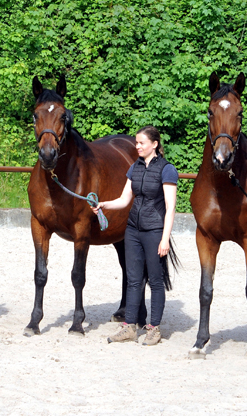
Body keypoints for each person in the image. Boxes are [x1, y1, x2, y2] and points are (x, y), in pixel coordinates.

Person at [92, 125, 178, 346]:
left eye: (141, 143)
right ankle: (129, 326)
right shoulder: (134, 168)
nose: (137, 146)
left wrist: (165, 238)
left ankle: (154, 328)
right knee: (133, 279)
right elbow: (124, 199)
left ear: (154, 145)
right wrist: (104, 204)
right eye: (137, 143)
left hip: (154, 230)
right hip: (133, 230)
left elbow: (170, 207)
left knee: (156, 281)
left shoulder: (167, 170)